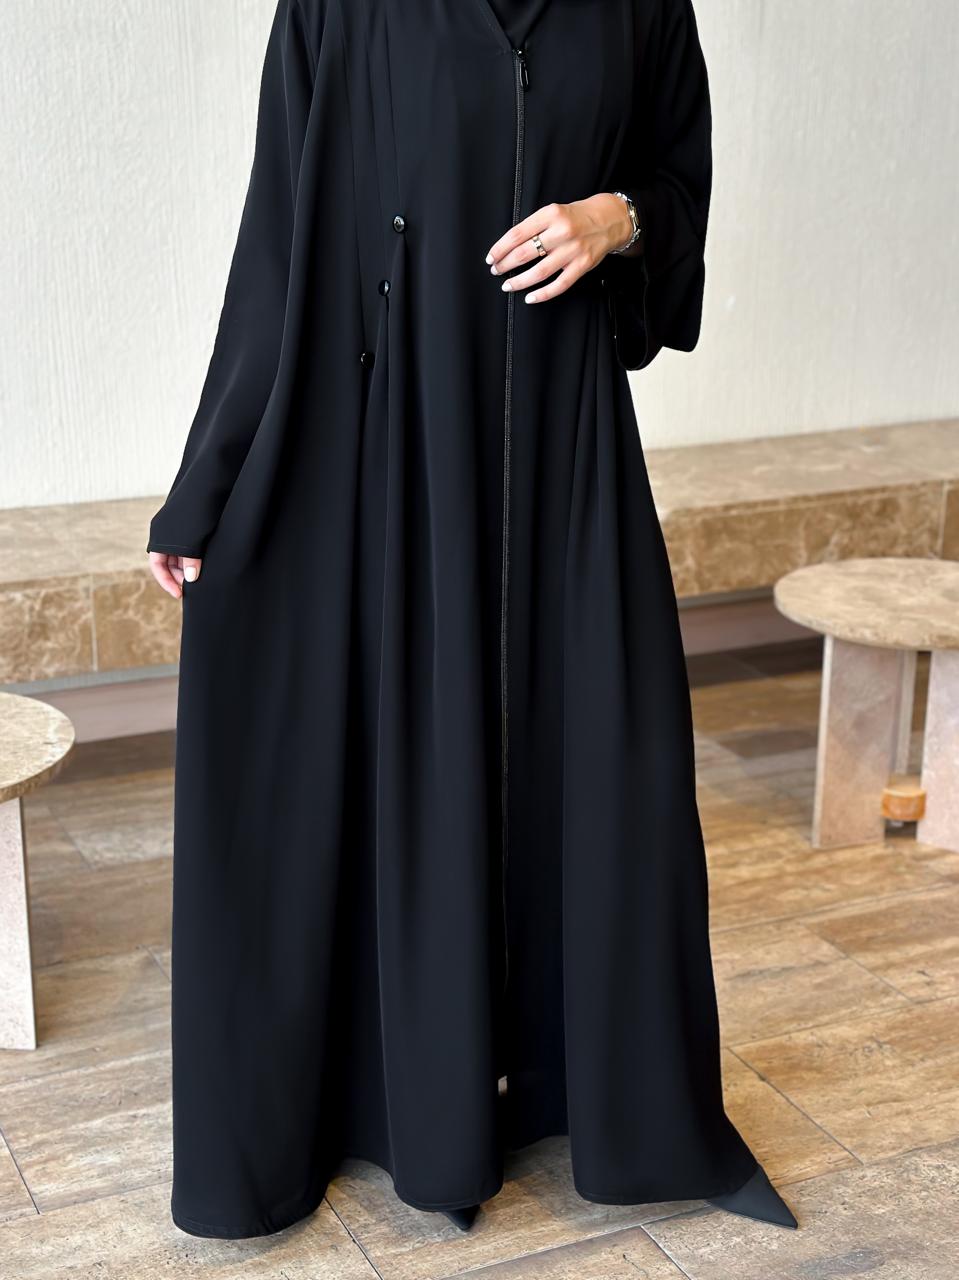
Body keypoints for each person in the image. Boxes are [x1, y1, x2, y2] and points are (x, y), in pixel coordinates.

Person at [147, 0, 798, 1240]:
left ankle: (569, 1086)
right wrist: (209, 484)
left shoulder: (638, 6)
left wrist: (617, 218)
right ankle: (417, 1105)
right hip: (394, 449)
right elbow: (278, 239)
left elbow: (676, 181)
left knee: (605, 763)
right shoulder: (339, 9)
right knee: (400, 755)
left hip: (564, 446)